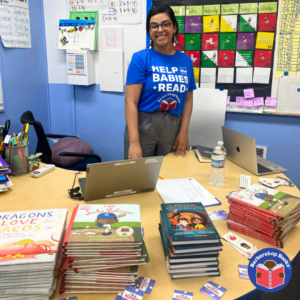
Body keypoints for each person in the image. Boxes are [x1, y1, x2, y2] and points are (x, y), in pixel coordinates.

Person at [124, 6, 197, 159]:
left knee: (169, 175)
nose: (160, 30)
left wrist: (184, 132)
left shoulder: (185, 61)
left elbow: (188, 99)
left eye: (165, 24)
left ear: (174, 27)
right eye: (154, 26)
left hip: (173, 126)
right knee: (139, 177)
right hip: (144, 125)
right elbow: (130, 102)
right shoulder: (141, 58)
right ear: (149, 31)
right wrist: (134, 141)